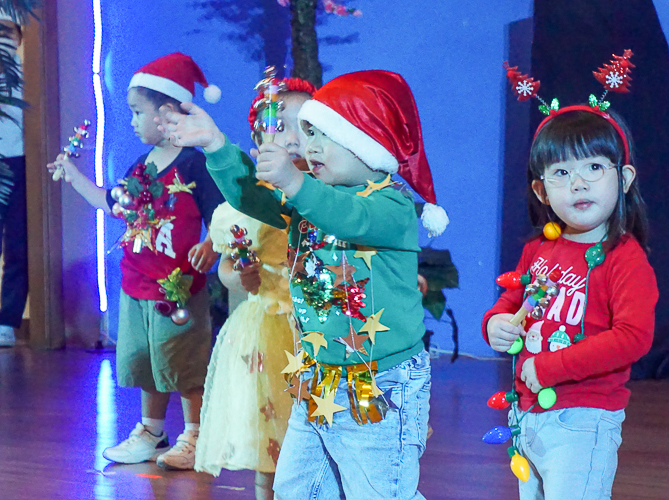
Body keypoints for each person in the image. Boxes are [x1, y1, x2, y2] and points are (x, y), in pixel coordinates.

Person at [158, 70, 448, 500]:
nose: (308, 147)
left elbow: (348, 216)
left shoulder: (392, 205)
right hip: (319, 377)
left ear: (367, 139)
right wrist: (216, 145)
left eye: (323, 135)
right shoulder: (308, 198)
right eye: (307, 134)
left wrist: (295, 184)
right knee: (299, 489)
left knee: (380, 491)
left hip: (377, 382)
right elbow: (252, 196)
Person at [47, 52, 225, 470]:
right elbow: (113, 205)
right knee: (147, 361)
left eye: (136, 112)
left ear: (165, 113)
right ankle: (151, 432)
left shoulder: (195, 162)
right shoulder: (141, 167)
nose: (131, 121)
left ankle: (196, 435)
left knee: (182, 359)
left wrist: (213, 247)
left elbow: (222, 213)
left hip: (177, 288)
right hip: (138, 283)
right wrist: (74, 177)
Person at [483, 90, 658, 497]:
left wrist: (552, 368)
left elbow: (633, 337)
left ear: (624, 179)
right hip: (528, 414)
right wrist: (496, 321)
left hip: (584, 418)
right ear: (542, 192)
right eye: (561, 173)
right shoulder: (538, 249)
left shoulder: (624, 258)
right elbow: (517, 301)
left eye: (594, 167)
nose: (578, 183)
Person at [194, 77, 316, 500]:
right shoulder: (247, 199)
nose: (294, 138)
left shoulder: (327, 190)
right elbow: (229, 267)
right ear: (259, 135)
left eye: (306, 126)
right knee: (270, 431)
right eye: (281, 127)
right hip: (267, 329)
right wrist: (239, 277)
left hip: (318, 328)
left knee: (317, 433)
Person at [0, 10, 27, 348]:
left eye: (7, 31)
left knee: (19, 243)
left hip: (21, 162)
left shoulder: (30, 71)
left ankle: (7, 320)